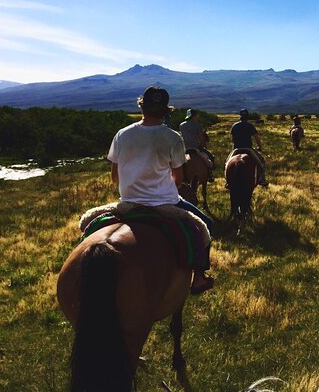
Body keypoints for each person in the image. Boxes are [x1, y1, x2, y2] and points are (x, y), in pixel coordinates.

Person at [107, 86, 214, 295]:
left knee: (88, 223)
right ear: (166, 111)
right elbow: (178, 179)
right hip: (164, 204)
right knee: (206, 224)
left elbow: (114, 176)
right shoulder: (172, 137)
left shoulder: (122, 134)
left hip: (127, 203)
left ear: (141, 106)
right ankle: (199, 277)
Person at [227, 108, 269, 187]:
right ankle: (262, 179)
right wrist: (260, 147)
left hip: (236, 148)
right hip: (248, 148)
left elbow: (232, 139)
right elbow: (257, 138)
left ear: (240, 116)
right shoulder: (250, 126)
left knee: (227, 163)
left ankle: (227, 181)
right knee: (261, 162)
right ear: (247, 117)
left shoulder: (234, 126)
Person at [179, 108, 215, 182]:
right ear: (194, 116)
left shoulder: (181, 125)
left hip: (184, 148)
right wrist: (202, 146)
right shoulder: (196, 124)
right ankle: (210, 174)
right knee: (210, 156)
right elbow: (201, 137)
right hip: (196, 147)